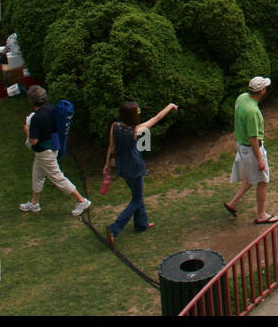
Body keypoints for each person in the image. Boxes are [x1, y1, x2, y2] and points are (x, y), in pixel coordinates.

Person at [103, 99, 178, 245]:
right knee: (136, 199)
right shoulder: (136, 130)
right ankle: (114, 228)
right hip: (135, 168)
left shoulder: (115, 126)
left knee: (137, 195)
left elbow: (111, 147)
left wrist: (107, 165)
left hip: (121, 167)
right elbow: (157, 118)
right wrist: (170, 106)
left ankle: (141, 224)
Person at [20, 84, 91, 216]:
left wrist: (26, 129)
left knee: (57, 177)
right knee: (37, 174)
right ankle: (34, 203)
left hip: (43, 151)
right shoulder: (52, 109)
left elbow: (33, 140)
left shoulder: (36, 118)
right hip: (53, 146)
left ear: (31, 101)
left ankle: (81, 201)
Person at [224, 77, 277, 224]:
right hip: (251, 149)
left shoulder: (241, 98)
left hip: (241, 145)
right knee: (263, 180)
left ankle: (232, 203)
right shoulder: (253, 112)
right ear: (261, 91)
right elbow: (253, 138)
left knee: (249, 175)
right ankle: (261, 214)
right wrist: (260, 160)